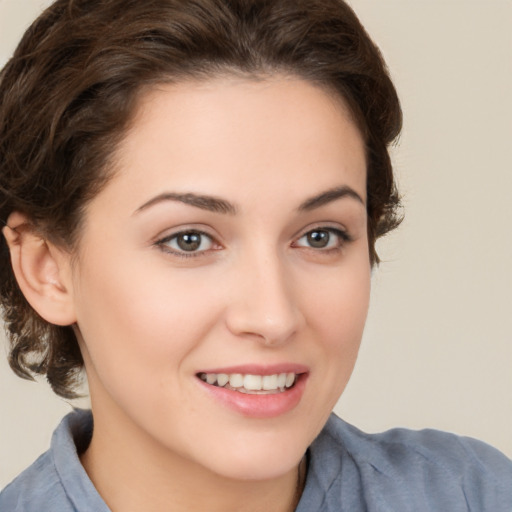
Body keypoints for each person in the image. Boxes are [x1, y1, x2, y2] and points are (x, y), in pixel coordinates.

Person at [0, 0, 510, 510]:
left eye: (319, 236)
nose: (273, 316)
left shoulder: (475, 495)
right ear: (47, 270)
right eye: (189, 240)